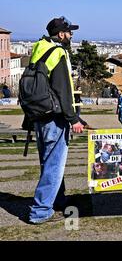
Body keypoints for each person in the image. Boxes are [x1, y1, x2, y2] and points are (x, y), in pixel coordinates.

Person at [27, 17, 85, 225]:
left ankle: (58, 200)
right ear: (61, 34)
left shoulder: (39, 48)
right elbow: (63, 90)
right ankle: (40, 211)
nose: (71, 36)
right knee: (54, 165)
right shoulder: (59, 53)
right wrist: (73, 119)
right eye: (69, 32)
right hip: (55, 118)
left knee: (49, 163)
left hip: (39, 117)